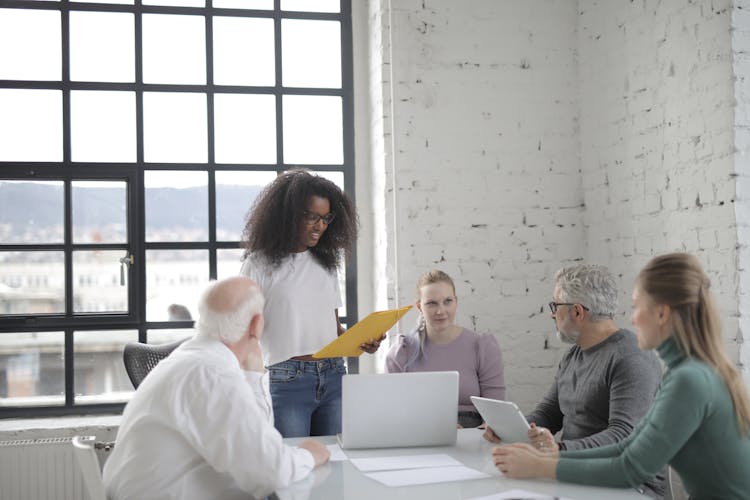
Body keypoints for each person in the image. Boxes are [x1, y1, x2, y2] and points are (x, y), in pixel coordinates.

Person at [492, 253, 750, 499]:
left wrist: (540, 466)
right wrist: (548, 458)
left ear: (661, 313)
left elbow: (631, 468)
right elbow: (627, 448)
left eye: (637, 306)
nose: (633, 319)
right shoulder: (684, 372)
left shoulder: (689, 379)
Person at [102, 276, 330, 500]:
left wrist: (254, 374)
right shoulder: (212, 374)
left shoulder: (193, 359)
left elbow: (256, 441)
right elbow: (270, 473)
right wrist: (310, 455)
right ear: (256, 325)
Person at [483, 264, 664, 496]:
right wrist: (509, 429)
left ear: (577, 312)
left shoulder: (631, 357)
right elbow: (550, 412)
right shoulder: (575, 354)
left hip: (631, 487)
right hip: (574, 475)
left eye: (555, 306)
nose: (552, 313)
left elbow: (623, 435)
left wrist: (557, 450)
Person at [240, 168, 382, 438]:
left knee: (335, 465)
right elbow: (243, 334)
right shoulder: (258, 265)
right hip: (286, 380)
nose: (320, 226)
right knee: (295, 468)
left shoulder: (325, 264)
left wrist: (362, 340)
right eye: (311, 217)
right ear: (287, 215)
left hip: (333, 375)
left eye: (326, 218)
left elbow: (332, 328)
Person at [385, 269, 506, 428]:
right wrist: (434, 428)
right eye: (431, 303)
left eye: (447, 301)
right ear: (419, 307)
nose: (441, 311)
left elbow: (495, 413)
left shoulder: (482, 346)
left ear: (456, 302)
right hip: (419, 431)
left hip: (472, 434)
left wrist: (472, 435)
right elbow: (392, 412)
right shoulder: (402, 351)